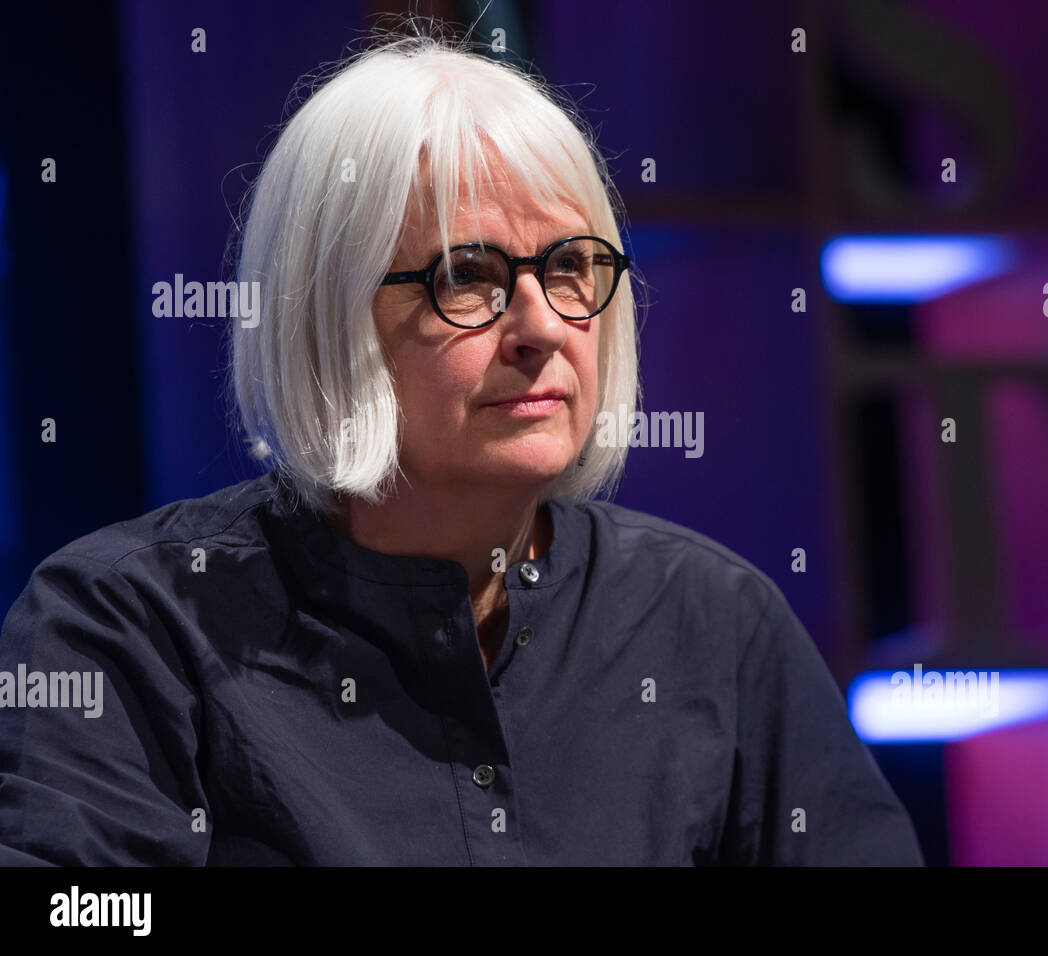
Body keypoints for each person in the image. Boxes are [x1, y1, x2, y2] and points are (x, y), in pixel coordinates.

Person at [0, 29, 923, 866]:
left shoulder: (715, 622)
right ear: (331, 317)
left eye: (571, 268)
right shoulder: (124, 626)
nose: (542, 325)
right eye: (468, 278)